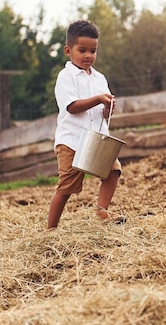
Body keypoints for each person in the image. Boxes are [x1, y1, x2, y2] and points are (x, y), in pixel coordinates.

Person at [47, 19, 124, 230]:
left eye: (93, 50)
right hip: (71, 141)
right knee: (66, 187)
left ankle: (102, 212)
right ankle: (50, 229)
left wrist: (108, 107)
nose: (88, 55)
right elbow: (71, 107)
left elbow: (101, 112)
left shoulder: (99, 78)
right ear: (68, 50)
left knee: (114, 169)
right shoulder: (66, 77)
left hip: (96, 139)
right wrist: (99, 99)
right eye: (82, 50)